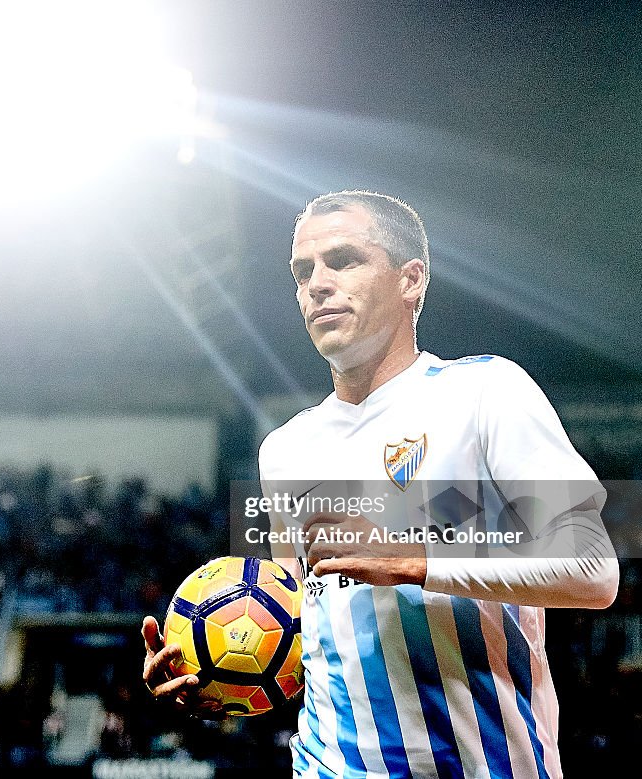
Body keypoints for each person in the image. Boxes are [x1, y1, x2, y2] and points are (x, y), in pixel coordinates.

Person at [142, 190, 619, 777]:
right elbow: (306, 641)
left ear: (411, 280)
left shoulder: (488, 392)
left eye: (343, 260)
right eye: (303, 271)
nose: (317, 284)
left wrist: (414, 555)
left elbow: (594, 569)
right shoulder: (285, 450)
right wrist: (216, 677)